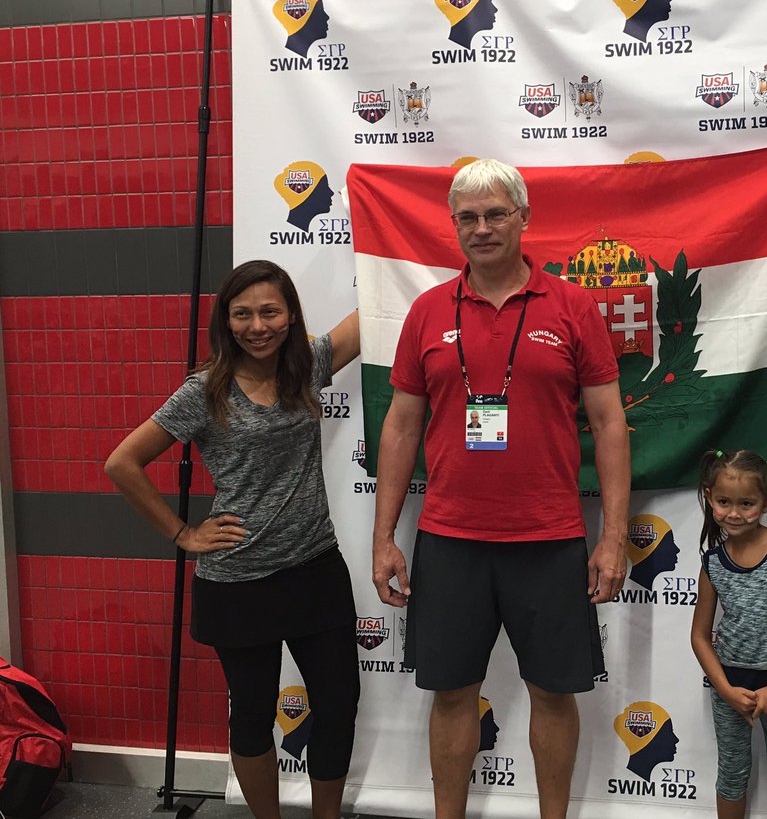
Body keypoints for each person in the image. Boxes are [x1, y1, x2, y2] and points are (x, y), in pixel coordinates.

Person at [371, 158, 631, 819]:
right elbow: (401, 427)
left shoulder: (571, 306)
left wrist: (613, 538)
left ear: (523, 218)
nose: (481, 228)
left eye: (495, 214)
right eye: (468, 217)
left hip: (548, 538)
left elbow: (609, 423)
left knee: (553, 693)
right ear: (454, 226)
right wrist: (383, 538)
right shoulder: (428, 312)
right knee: (452, 694)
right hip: (451, 538)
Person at [104, 260, 361, 819]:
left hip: (316, 569)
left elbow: (372, 314)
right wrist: (183, 533)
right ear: (225, 321)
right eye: (241, 314)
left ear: (291, 315)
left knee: (339, 707)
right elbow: (122, 462)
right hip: (239, 582)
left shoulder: (307, 365)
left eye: (270, 311)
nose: (257, 325)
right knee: (251, 713)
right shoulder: (205, 389)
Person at [690, 449, 767, 819]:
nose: (734, 512)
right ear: (710, 497)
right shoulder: (712, 562)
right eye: (724, 501)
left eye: (746, 503)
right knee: (731, 773)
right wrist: (725, 689)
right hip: (729, 684)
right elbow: (699, 636)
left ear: (766, 502)